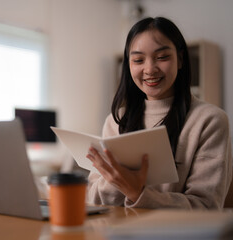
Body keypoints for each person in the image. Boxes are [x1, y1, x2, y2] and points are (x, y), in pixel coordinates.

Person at [86, 17, 232, 209]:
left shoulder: (209, 120)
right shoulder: (116, 121)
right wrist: (115, 180)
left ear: (180, 59)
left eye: (162, 57)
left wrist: (137, 193)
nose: (149, 69)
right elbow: (94, 201)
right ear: (129, 66)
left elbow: (206, 207)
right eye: (138, 60)